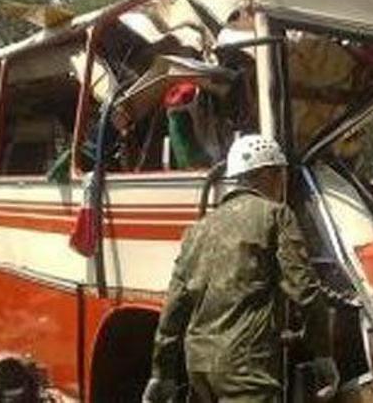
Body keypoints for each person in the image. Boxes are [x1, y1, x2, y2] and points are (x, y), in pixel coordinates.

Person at [142, 134, 338, 403]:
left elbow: (174, 306)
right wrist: (323, 354)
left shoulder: (198, 229)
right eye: (281, 174)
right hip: (246, 370)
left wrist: (161, 372)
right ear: (269, 173)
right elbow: (304, 290)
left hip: (198, 366)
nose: (283, 182)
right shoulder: (275, 215)